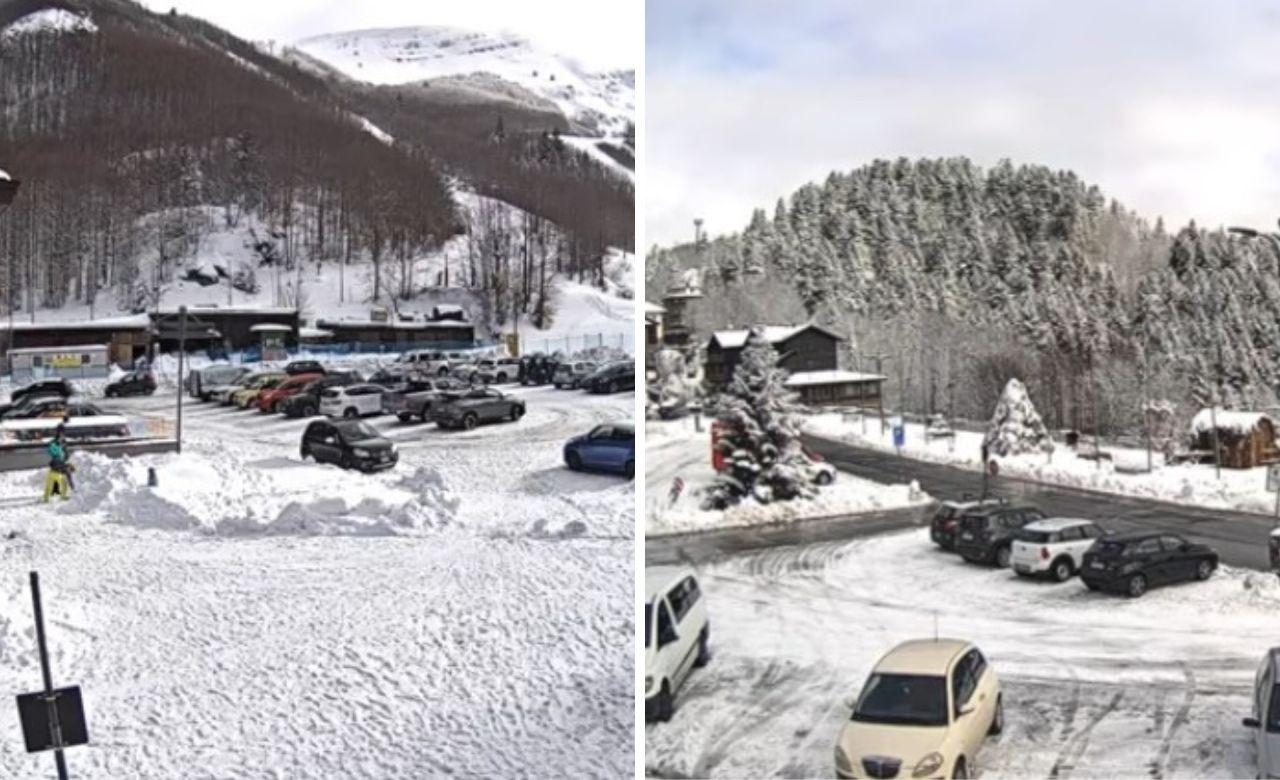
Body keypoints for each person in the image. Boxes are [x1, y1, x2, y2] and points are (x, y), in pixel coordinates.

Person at [47, 424, 74, 492]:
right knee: (65, 473)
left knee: (69, 472)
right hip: (56, 462)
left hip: (61, 462)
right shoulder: (54, 442)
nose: (62, 434)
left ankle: (71, 488)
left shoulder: (63, 441)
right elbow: (53, 451)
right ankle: (69, 489)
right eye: (60, 432)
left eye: (63, 432)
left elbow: (66, 453)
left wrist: (66, 458)